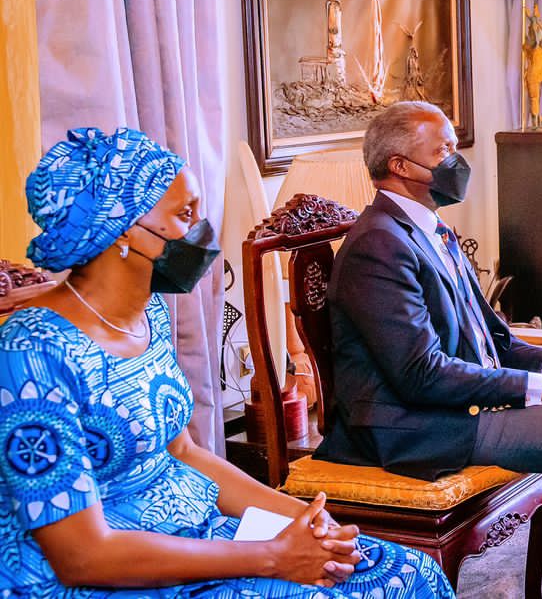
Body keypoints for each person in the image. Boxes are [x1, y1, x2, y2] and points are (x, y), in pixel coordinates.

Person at [0, 126, 454, 598]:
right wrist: (275, 556)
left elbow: (185, 453)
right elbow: (83, 556)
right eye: (185, 214)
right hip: (113, 570)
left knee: (407, 572)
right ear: (122, 232)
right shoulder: (33, 354)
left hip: (198, 532)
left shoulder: (149, 312)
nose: (202, 229)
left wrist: (305, 523)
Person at [316, 101, 542, 599]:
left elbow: (493, 339)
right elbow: (421, 375)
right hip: (414, 422)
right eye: (443, 149)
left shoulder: (431, 229)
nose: (455, 159)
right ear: (401, 166)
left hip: (453, 397)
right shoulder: (378, 245)